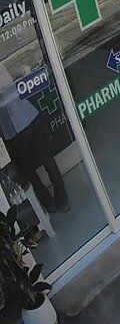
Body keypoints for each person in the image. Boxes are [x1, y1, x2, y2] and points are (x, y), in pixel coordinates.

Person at [0, 62, 67, 214]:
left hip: (20, 124)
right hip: (18, 125)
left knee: (40, 164)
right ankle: (55, 202)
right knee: (35, 167)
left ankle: (57, 201)